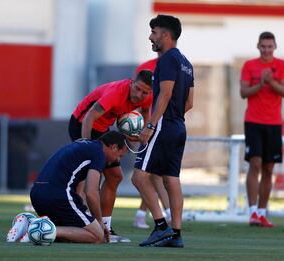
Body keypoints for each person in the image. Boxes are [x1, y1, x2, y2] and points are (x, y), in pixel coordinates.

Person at [131, 14, 194, 247]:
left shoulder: (167, 60)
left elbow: (165, 94)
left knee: (139, 177)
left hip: (163, 125)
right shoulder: (186, 63)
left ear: (166, 35)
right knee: (171, 179)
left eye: (154, 32)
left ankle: (160, 226)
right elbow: (189, 102)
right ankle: (175, 234)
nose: (151, 37)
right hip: (178, 126)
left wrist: (150, 125)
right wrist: (174, 119)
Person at [69, 70, 153, 242]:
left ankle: (106, 228)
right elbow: (90, 116)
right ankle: (81, 222)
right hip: (82, 124)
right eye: (137, 89)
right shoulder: (115, 93)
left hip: (102, 129)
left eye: (145, 92)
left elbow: (143, 111)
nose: (139, 95)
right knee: (85, 179)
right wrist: (86, 145)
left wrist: (139, 132)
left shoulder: (144, 98)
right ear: (131, 83)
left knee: (115, 176)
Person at [29, 131, 128, 243]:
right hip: (57, 196)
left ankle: (28, 224)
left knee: (73, 235)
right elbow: (91, 191)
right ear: (113, 147)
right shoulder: (99, 153)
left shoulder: (85, 145)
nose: (118, 160)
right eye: (120, 156)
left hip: (37, 194)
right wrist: (99, 221)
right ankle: (41, 231)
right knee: (98, 236)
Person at [240, 32, 284, 228]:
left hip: (274, 123)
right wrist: (261, 83)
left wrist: (271, 82)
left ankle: (262, 212)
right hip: (253, 121)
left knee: (269, 168)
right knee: (255, 163)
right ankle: (252, 212)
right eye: (263, 46)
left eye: (270, 46)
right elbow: (243, 93)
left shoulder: (283, 65)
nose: (267, 50)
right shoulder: (249, 66)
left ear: (275, 47)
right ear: (258, 46)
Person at [133, 57, 171, 229]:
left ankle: (152, 215)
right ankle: (165, 215)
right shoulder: (145, 67)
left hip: (165, 126)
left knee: (155, 174)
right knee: (147, 174)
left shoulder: (176, 66)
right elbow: (139, 100)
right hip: (151, 127)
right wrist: (143, 126)